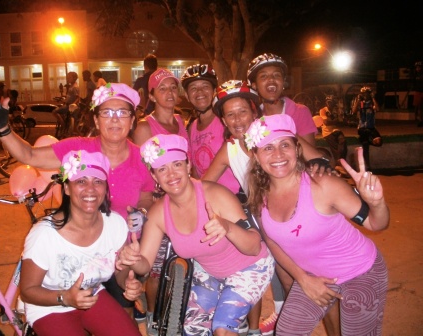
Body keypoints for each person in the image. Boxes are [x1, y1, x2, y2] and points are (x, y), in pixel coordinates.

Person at [0, 82, 155, 322]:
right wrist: (3, 129)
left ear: (133, 120)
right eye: (107, 113)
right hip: (77, 250)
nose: (115, 120)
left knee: (120, 319)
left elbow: (147, 192)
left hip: (120, 251)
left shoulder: (142, 159)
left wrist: (143, 210)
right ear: (96, 120)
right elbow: (30, 155)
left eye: (122, 113)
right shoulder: (78, 149)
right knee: (70, 316)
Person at [245, 113, 389, 335]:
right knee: (286, 331)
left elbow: (377, 224)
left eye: (285, 145)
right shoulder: (260, 194)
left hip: (361, 271)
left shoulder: (323, 184)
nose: (278, 154)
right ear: (256, 155)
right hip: (315, 276)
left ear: (297, 149)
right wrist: (302, 279)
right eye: (267, 148)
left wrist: (377, 203)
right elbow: (273, 242)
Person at [118, 133, 274, 335]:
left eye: (177, 164)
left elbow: (254, 247)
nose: (171, 174)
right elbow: (144, 265)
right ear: (155, 177)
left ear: (188, 165)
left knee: (222, 329)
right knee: (193, 331)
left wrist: (226, 227)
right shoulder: (158, 213)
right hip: (209, 272)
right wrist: (133, 258)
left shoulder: (215, 194)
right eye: (162, 169)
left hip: (250, 267)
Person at [247, 53, 338, 335]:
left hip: (300, 195)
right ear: (255, 84)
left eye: (275, 75)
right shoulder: (251, 112)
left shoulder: (298, 110)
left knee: (316, 270)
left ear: (284, 80)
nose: (270, 80)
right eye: (263, 76)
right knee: (284, 268)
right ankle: (291, 317)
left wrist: (282, 127)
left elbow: (309, 156)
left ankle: (333, 327)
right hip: (265, 195)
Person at [20, 150, 142, 336]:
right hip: (50, 306)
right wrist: (66, 298)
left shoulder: (115, 224)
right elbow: (28, 290)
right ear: (67, 188)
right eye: (81, 181)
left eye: (98, 182)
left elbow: (119, 270)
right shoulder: (45, 235)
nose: (90, 189)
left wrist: (127, 282)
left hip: (92, 296)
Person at [132, 67, 189, 332]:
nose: (169, 93)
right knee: (155, 268)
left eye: (173, 87)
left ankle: (178, 306)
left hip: (181, 198)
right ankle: (154, 317)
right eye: (162, 88)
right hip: (158, 202)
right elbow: (145, 172)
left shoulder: (181, 121)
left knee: (180, 258)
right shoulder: (145, 127)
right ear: (152, 95)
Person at [181, 64, 240, 195]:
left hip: (233, 197)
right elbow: (196, 170)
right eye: (193, 88)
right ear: (187, 95)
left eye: (205, 86)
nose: (200, 92)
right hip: (206, 197)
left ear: (214, 91)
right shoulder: (192, 128)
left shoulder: (226, 122)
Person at [352, 86, 382, 171]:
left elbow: (378, 109)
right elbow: (354, 111)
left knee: (379, 142)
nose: (365, 96)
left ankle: (368, 140)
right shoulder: (361, 103)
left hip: (371, 127)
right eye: (363, 94)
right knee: (365, 148)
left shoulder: (372, 103)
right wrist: (358, 100)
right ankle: (367, 166)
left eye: (367, 94)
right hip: (362, 128)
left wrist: (373, 98)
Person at [319, 95, 348, 173]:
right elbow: (326, 122)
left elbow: (342, 121)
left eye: (331, 102)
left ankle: (340, 163)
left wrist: (338, 121)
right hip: (327, 132)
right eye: (328, 102)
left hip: (335, 130)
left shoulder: (336, 110)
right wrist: (337, 121)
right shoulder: (323, 110)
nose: (329, 104)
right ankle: (339, 164)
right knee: (335, 147)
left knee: (343, 142)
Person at [411, 61, 423, 127]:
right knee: (418, 107)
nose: (417, 68)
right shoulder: (415, 75)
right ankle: (420, 120)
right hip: (418, 91)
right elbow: (413, 82)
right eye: (417, 67)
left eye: (419, 67)